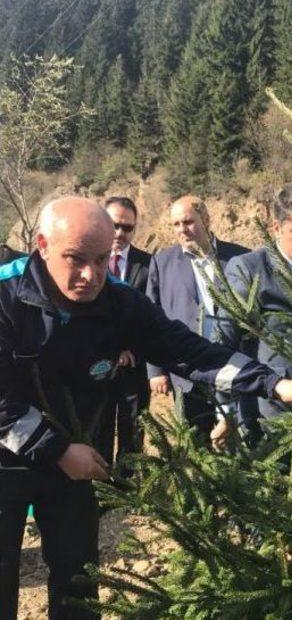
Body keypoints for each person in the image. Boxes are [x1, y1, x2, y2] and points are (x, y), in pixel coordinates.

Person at [0, 196, 292, 620]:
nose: (91, 274)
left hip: (80, 463)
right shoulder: (7, 295)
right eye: (75, 259)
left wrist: (272, 384)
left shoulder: (119, 302)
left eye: (102, 259)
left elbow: (187, 350)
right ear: (42, 246)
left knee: (78, 570)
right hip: (10, 458)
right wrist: (56, 447)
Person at [216, 185, 292, 428]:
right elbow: (225, 341)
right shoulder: (248, 269)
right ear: (276, 228)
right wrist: (225, 410)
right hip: (267, 408)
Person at [146, 195, 248, 438]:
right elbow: (150, 317)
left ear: (206, 219)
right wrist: (155, 371)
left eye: (188, 222)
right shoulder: (162, 263)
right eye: (176, 224)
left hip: (236, 363)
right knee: (196, 440)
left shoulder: (240, 258)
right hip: (187, 369)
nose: (183, 230)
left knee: (243, 437)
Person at [95, 196, 152, 470]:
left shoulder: (150, 265)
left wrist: (133, 349)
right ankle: (102, 486)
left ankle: (129, 486)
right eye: (114, 224)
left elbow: (152, 317)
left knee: (133, 425)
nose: (119, 233)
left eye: (127, 228)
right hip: (97, 362)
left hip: (134, 364)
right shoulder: (89, 261)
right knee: (99, 424)